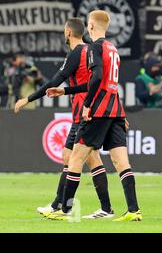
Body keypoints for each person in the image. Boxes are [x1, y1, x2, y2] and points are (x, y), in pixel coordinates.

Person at [14, 18, 115, 219]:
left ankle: (63, 206)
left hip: (83, 111)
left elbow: (54, 82)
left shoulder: (76, 53)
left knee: (73, 157)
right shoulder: (91, 50)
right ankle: (103, 208)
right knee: (86, 158)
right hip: (94, 109)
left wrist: (28, 98)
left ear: (68, 32)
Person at [46, 10, 141, 222]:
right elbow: (108, 81)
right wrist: (67, 91)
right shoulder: (112, 48)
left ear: (90, 26)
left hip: (98, 111)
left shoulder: (94, 48)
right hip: (115, 110)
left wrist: (87, 104)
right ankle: (134, 210)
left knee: (76, 157)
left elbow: (96, 77)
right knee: (121, 161)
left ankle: (66, 209)